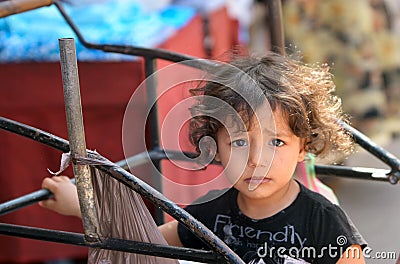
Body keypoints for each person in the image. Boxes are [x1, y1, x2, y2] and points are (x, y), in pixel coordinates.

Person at [39, 52, 367, 263]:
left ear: (303, 147)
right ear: (214, 148)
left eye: (276, 142)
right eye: (239, 143)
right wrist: (85, 206)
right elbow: (151, 244)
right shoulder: (213, 209)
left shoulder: (323, 219)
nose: (257, 160)